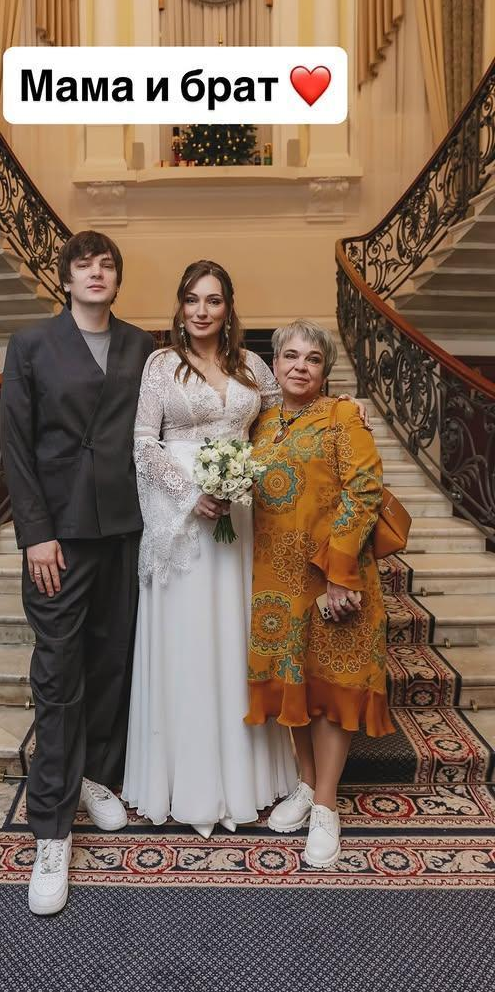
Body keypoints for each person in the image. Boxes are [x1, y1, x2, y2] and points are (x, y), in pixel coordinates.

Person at [0, 230, 154, 915]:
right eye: (84, 265)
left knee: (112, 662)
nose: (96, 273)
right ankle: (52, 831)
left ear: (117, 279)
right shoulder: (31, 343)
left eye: (106, 264)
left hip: (124, 528)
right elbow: (16, 444)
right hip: (58, 536)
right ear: (65, 278)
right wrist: (34, 533)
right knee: (58, 676)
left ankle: (95, 775)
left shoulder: (142, 346)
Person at [122, 260, 299, 835]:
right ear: (180, 305)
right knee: (188, 636)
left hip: (239, 513)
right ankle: (186, 779)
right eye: (193, 299)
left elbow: (284, 417)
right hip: (180, 516)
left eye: (214, 300)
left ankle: (245, 777)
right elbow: (144, 441)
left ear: (228, 308)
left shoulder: (252, 365)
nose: (202, 311)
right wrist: (188, 493)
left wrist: (347, 408)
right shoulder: (160, 365)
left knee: (234, 632)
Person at [245, 319, 394, 869]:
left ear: (325, 370)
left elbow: (365, 489)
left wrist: (339, 573)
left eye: (312, 358)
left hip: (334, 576)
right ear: (275, 364)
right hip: (277, 582)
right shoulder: (261, 423)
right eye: (290, 355)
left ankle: (327, 805)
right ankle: (306, 785)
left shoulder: (342, 417)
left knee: (333, 689)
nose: (300, 366)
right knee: (298, 685)